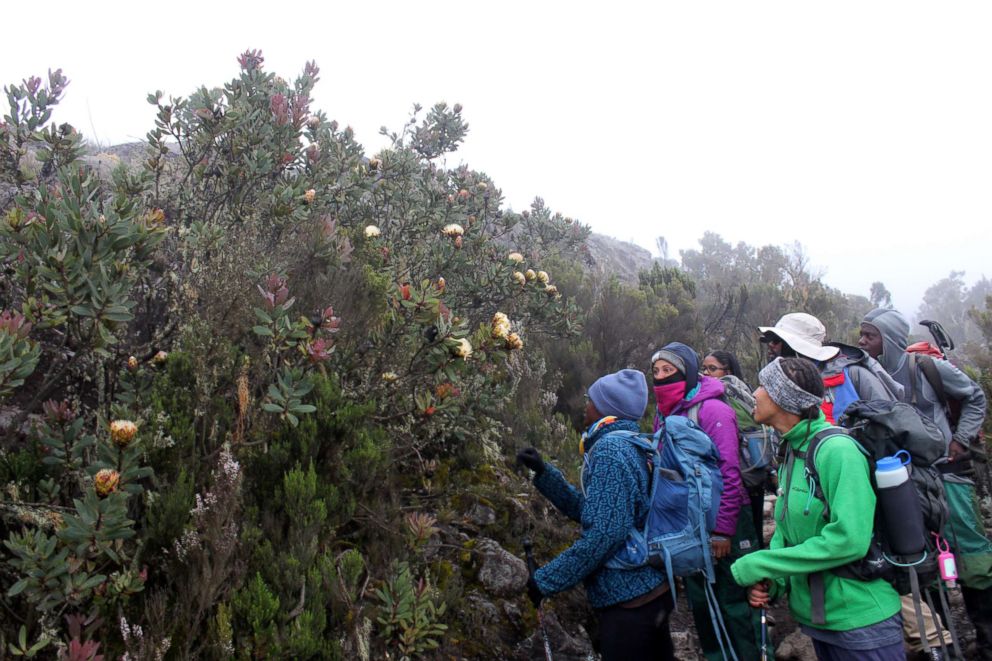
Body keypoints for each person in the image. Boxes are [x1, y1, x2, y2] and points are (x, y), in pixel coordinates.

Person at [731, 357, 904, 660]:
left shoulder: (837, 451)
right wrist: (775, 580)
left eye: (762, 386)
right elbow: (787, 531)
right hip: (819, 620)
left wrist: (763, 563)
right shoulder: (791, 451)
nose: (754, 393)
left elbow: (849, 539)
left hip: (862, 621)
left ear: (784, 398)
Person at [516, 369, 674, 661]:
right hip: (651, 590)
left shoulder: (611, 452)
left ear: (605, 408)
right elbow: (598, 512)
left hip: (629, 600)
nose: (585, 406)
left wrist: (546, 580)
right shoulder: (632, 443)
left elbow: (605, 534)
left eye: (590, 400)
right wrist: (544, 472)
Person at [861, 308, 992, 660]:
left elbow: (975, 396)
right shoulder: (868, 375)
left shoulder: (925, 367)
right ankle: (943, 642)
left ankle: (986, 640)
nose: (862, 341)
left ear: (888, 339)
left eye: (869, 335)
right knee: (922, 558)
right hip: (904, 485)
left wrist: (960, 439)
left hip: (947, 476)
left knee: (971, 555)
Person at [652, 342, 764, 661]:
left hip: (726, 519)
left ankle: (750, 654)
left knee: (734, 598)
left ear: (686, 373)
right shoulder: (664, 413)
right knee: (701, 602)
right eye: (656, 372)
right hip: (689, 522)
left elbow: (729, 471)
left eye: (668, 371)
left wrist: (724, 530)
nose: (660, 378)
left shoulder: (714, 410)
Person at [759, 312, 903, 421]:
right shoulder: (783, 383)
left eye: (776, 340)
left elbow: (890, 421)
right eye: (769, 339)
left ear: (797, 346)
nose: (771, 345)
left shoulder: (853, 374)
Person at [702, 349, 771, 549]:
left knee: (748, 533)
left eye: (712, 369)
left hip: (740, 473)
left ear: (728, 370)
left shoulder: (724, 394)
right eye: (704, 368)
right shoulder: (744, 391)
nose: (706, 374)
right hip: (755, 470)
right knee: (755, 529)